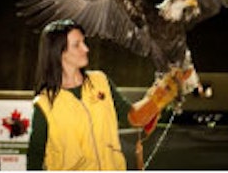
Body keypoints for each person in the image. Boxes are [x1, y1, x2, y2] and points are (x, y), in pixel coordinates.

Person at [26, 19, 189, 170]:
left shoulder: (100, 81)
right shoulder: (44, 104)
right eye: (77, 45)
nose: (86, 49)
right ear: (59, 53)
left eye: (84, 42)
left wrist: (159, 97)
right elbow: (35, 156)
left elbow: (132, 118)